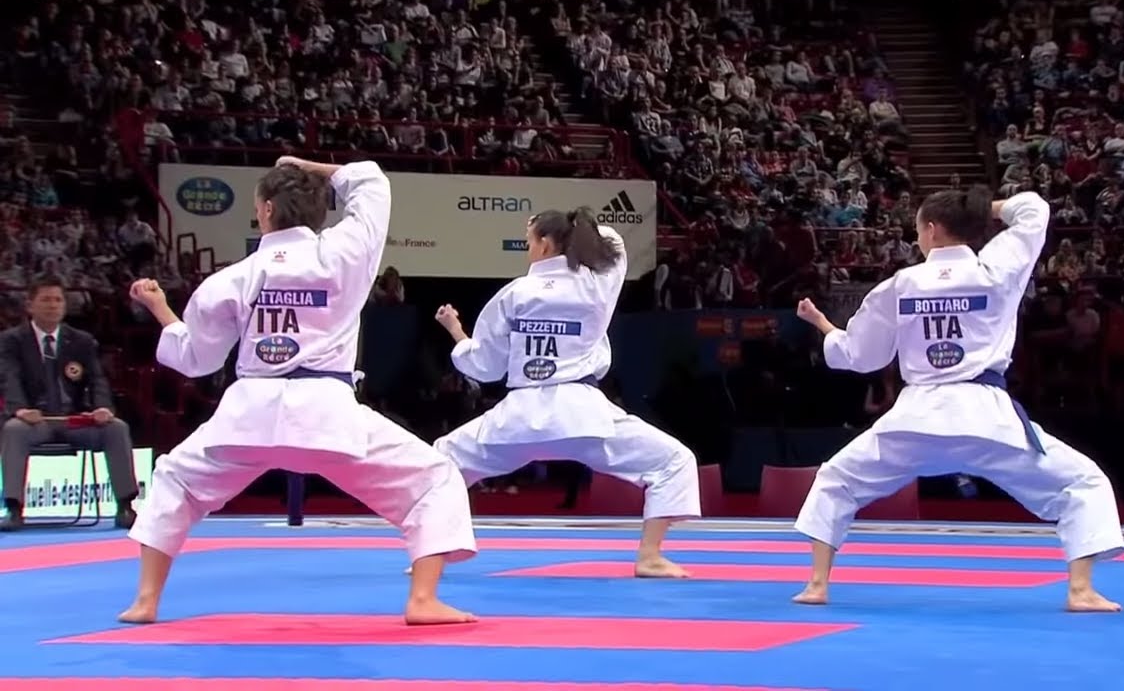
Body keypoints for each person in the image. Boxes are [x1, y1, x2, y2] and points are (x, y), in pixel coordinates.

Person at [121, 157, 478, 625]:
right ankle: (423, 599)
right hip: (328, 416)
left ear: (267, 210)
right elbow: (372, 183)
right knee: (435, 477)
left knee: (174, 479)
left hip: (247, 417)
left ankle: (146, 600)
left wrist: (161, 310)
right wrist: (306, 165)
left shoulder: (232, 278)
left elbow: (196, 359)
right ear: (318, 210)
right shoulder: (345, 253)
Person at [790, 188, 1124, 612]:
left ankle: (817, 585)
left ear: (931, 230)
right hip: (987, 421)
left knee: (836, 479)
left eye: (918, 230)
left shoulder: (901, 284)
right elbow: (1034, 210)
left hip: (915, 421)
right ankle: (1080, 590)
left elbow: (859, 355)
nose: (917, 239)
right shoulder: (996, 269)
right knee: (1084, 482)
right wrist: (983, 210)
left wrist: (824, 326)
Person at [432, 207, 701, 577]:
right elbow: (614, 243)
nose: (527, 248)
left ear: (544, 244)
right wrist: (577, 225)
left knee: (442, 460)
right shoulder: (595, 285)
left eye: (529, 240)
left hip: (519, 418)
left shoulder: (515, 293)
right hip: (582, 417)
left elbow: (485, 366)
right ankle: (650, 556)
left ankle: (432, 554)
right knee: (675, 461)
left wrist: (456, 332)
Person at [0, 275, 139, 530]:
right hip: (35, 421)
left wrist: (102, 408)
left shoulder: (81, 340)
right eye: (46, 300)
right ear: (30, 305)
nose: (53, 305)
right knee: (13, 430)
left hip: (75, 420)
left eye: (58, 300)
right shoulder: (12, 340)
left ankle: (125, 506)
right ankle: (14, 509)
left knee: (116, 428)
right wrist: (20, 409)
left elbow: (97, 379)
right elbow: (9, 377)